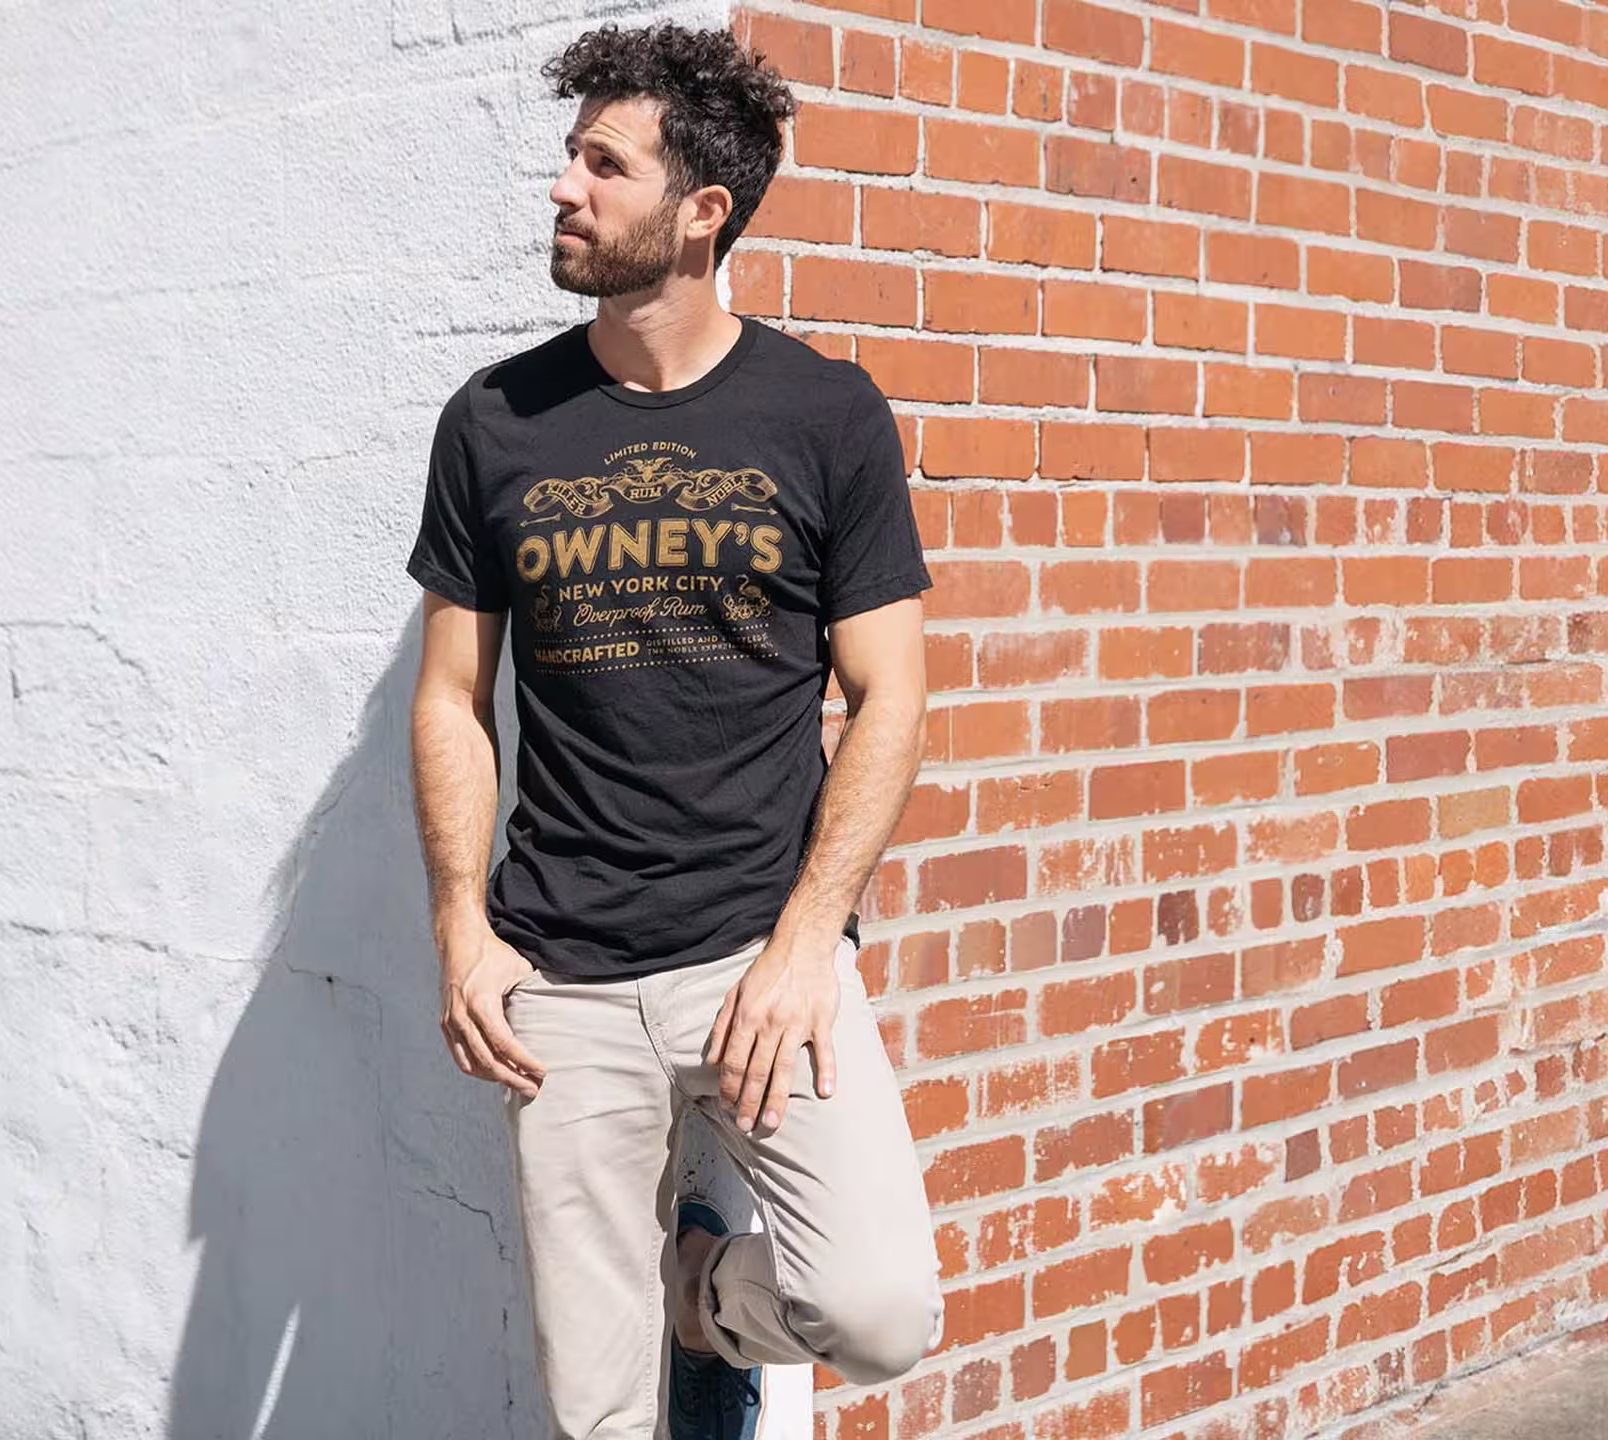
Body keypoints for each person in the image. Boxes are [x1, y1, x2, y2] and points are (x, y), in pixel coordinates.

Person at [404, 20, 945, 1440]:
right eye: (570, 157)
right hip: (562, 990)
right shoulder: (496, 421)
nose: (563, 189)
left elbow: (891, 695)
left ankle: (701, 1291)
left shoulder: (824, 416)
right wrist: (463, 927)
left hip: (760, 965)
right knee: (597, 1420)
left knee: (878, 1307)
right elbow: (451, 698)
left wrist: (810, 943)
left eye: (603, 163)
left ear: (703, 213)